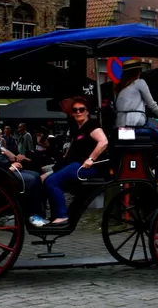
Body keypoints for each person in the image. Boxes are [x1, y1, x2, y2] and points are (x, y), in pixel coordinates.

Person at [42, 96, 108, 225]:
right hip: (75, 165)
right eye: (75, 110)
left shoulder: (91, 125)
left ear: (87, 111)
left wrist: (90, 159)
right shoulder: (78, 128)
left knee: (51, 181)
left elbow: (103, 141)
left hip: (88, 167)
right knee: (45, 179)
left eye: (81, 109)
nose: (78, 112)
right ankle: (53, 215)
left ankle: (62, 216)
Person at [114, 58, 158, 186]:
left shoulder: (120, 89)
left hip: (122, 132)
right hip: (136, 129)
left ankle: (149, 169)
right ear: (138, 72)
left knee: (153, 132)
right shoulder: (139, 83)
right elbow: (152, 105)